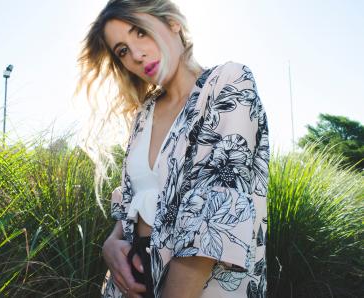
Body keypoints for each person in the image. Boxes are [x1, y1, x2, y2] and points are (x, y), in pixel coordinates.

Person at [75, 1, 269, 297]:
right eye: (122, 51)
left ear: (172, 23)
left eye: (140, 32)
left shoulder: (227, 82)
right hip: (128, 285)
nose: (137, 55)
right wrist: (110, 245)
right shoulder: (143, 114)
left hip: (199, 287)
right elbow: (135, 199)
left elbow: (216, 213)